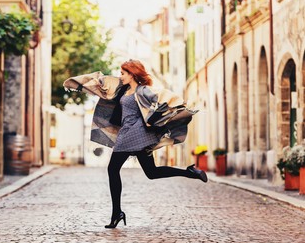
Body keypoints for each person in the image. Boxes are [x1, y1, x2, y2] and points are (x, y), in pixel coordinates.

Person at [62, 59, 208, 229]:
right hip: (132, 133)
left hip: (135, 133)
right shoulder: (123, 89)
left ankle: (116, 213)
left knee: (112, 169)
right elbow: (102, 85)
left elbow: (161, 101)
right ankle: (190, 172)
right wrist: (79, 85)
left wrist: (156, 115)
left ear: (132, 74)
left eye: (123, 73)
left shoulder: (143, 90)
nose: (120, 76)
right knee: (151, 173)